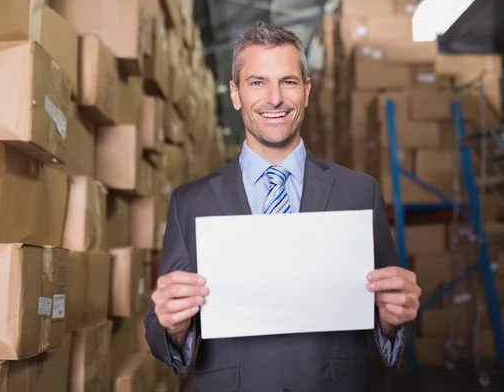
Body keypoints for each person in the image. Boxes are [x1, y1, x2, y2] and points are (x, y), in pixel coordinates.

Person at [145, 22, 421, 391]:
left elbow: (383, 321)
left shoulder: (358, 192)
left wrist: (392, 318)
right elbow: (162, 337)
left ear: (306, 92)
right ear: (235, 94)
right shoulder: (191, 201)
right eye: (257, 82)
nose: (274, 98)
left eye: (288, 82)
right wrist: (173, 325)